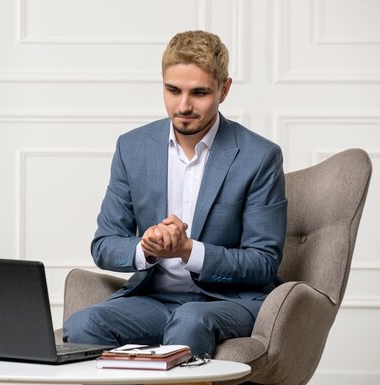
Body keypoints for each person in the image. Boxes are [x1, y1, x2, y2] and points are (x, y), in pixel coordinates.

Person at [62, 30, 287, 357]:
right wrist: (146, 247)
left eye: (199, 93)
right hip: (153, 300)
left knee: (190, 320)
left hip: (226, 302)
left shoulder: (259, 156)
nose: (183, 105)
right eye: (173, 90)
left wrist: (188, 250)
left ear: (224, 90)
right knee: (84, 324)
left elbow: (263, 262)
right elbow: (105, 244)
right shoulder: (133, 147)